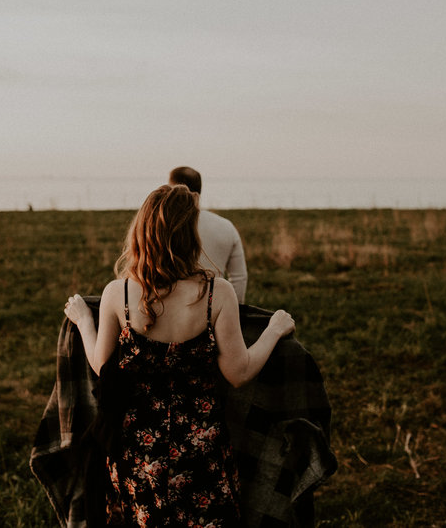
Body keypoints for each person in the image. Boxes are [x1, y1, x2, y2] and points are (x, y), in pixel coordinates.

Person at [62, 184, 295, 527]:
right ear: (190, 235)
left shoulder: (119, 293)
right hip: (201, 451)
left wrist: (84, 320)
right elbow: (239, 372)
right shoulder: (217, 293)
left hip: (137, 452)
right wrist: (274, 329)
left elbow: (102, 366)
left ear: (142, 231)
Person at [168, 166, 248, 303]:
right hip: (214, 308)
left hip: (173, 310)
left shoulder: (163, 227)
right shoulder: (226, 226)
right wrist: (234, 311)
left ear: (171, 189)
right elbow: (239, 278)